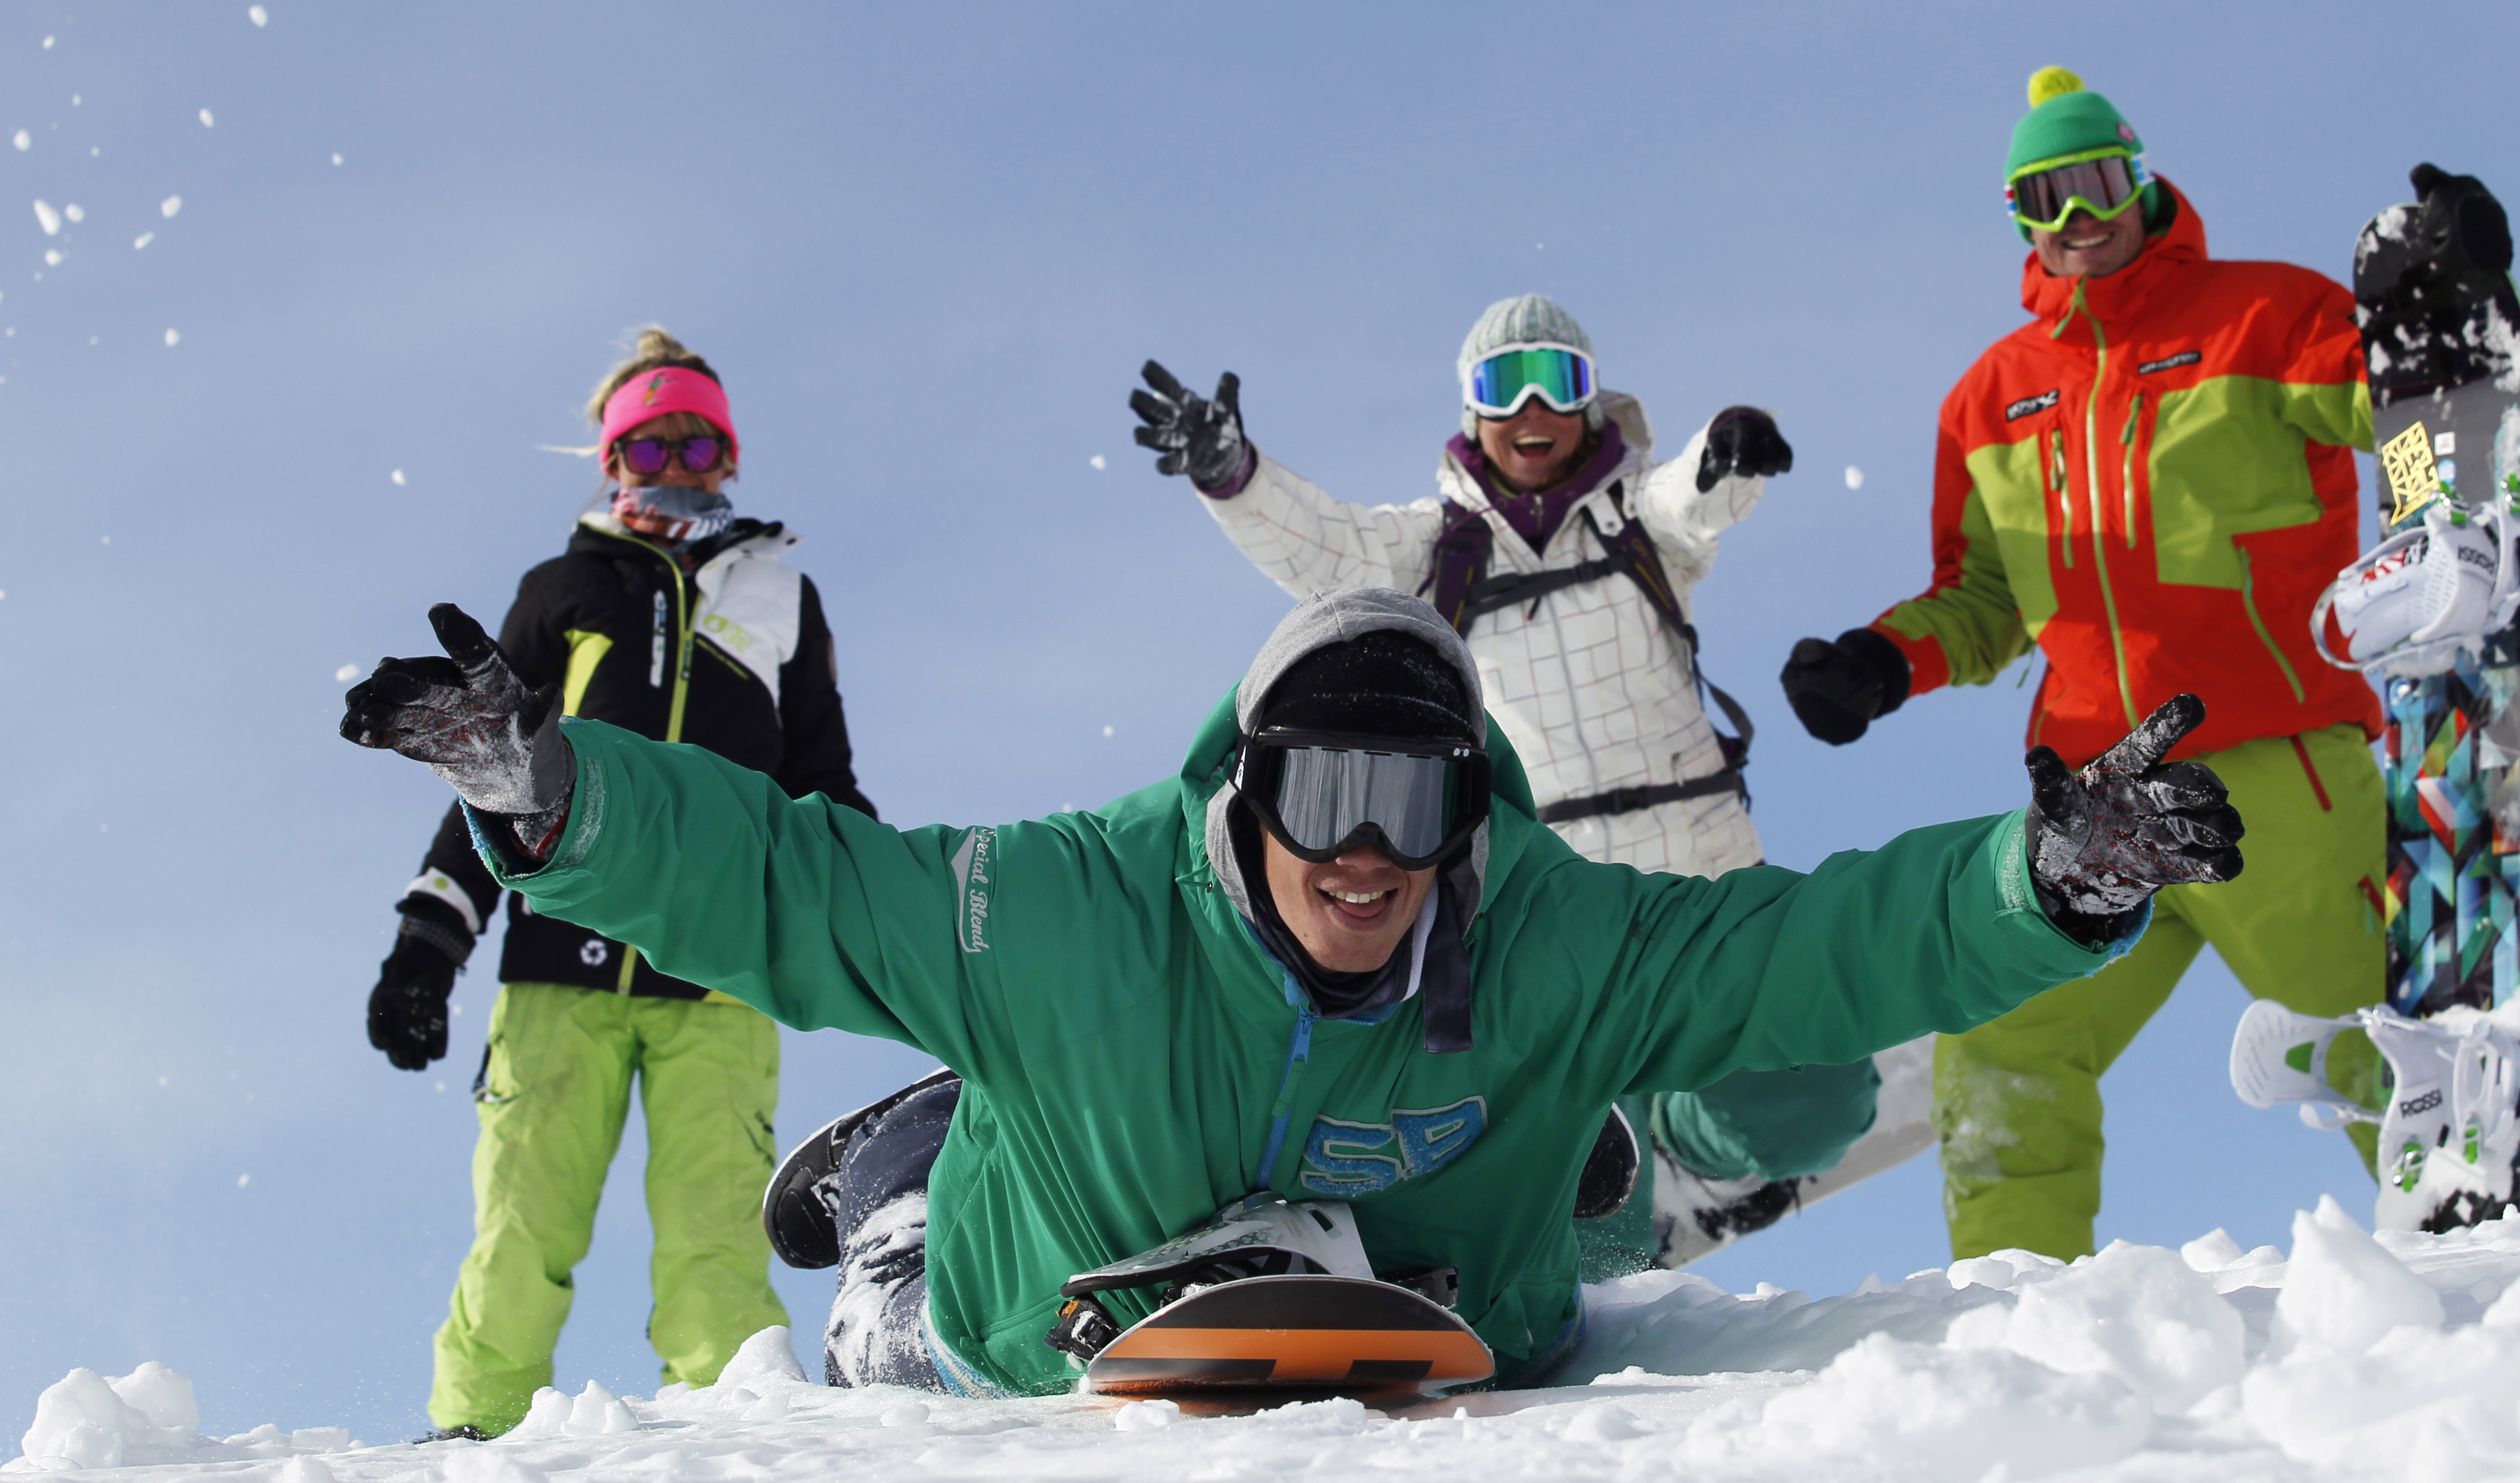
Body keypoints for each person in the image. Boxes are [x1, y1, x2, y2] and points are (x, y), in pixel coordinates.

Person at [341, 582, 2245, 1397]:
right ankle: (901, 1186)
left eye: (1414, 803)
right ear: (1242, 788)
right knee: (915, 1322)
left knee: (1655, 1151)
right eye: (1322, 794)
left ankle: (1578, 1172)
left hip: (1438, 1273)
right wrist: (563, 787)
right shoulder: (1068, 903)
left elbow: (1821, 941)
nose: (1366, 850)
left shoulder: (1546, 927)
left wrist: (2044, 872)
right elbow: (791, 879)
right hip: (1047, 1289)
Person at [1129, 296, 1898, 1278]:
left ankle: (1704, 1165)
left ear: (1591, 401)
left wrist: (1730, 447)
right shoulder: (1439, 551)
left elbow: (1688, 495)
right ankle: (1615, 1232)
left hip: (1700, 869)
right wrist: (1231, 474)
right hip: (1556, 903)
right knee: (1568, 1142)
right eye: (1504, 385)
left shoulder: (1637, 528)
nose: (1532, 406)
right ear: (1472, 410)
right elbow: (1327, 549)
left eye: (1558, 380)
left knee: (1814, 1099)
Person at [1777, 68, 2388, 1265]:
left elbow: (2403, 416)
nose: (2077, 220)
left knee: (2376, 1039)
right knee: (2006, 1040)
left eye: (2096, 184)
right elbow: (1985, 600)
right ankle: (2019, 1311)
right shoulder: (1992, 400)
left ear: (2141, 173)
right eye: (2043, 201)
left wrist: (2434, 516)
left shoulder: (2268, 315)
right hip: (2098, 796)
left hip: (2272, 764)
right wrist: (1884, 661)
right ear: (2018, 220)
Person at [363, 329, 879, 1437]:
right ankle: (472, 1433)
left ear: (728, 454)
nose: (679, 466)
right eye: (650, 448)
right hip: (561, 955)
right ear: (614, 464)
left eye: (700, 442)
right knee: (525, 1217)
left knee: (714, 1227)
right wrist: (429, 937)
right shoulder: (562, 590)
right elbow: (487, 770)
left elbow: (823, 780)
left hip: (725, 962)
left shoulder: (783, 594)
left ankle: (733, 1431)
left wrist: (880, 911)